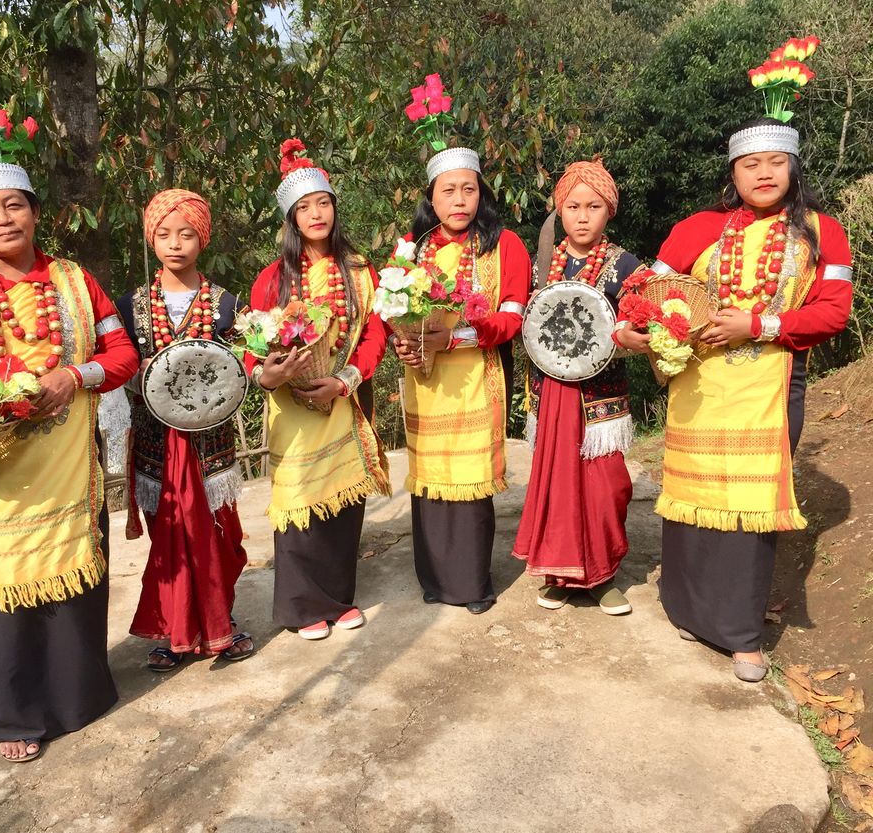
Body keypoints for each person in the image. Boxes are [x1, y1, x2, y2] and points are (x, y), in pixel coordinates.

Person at [0, 99, 137, 760]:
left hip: (70, 466)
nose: (3, 219)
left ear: (37, 212)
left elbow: (121, 355)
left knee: (76, 579)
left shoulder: (74, 279)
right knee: (8, 595)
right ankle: (15, 716)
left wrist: (75, 376)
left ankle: (79, 696)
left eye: (14, 205)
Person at [652, 115, 852, 681]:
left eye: (775, 161)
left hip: (770, 383)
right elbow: (652, 296)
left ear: (794, 165)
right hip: (698, 386)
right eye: (749, 164)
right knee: (692, 501)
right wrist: (644, 329)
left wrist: (758, 325)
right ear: (732, 173)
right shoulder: (697, 228)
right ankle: (688, 608)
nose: (764, 173)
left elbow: (834, 310)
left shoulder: (820, 231)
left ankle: (741, 634)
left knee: (751, 509)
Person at [244, 139, 390, 640]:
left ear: (334, 206)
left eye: (323, 203)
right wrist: (274, 375)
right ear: (291, 219)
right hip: (292, 412)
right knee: (300, 503)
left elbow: (374, 334)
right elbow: (252, 349)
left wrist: (346, 380)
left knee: (344, 503)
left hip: (342, 400)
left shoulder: (359, 270)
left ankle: (338, 598)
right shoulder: (272, 278)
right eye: (304, 208)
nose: (316, 214)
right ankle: (304, 606)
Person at [392, 144, 531, 615]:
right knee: (431, 479)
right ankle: (433, 578)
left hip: (477, 374)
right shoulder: (413, 250)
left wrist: (458, 338)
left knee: (470, 481)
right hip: (425, 381)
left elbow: (513, 316)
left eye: (467, 189)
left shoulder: (503, 244)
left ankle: (473, 582)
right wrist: (405, 341)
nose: (458, 200)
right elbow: (391, 310)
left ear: (480, 194)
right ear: (430, 198)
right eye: (447, 191)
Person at [117, 189, 251, 671]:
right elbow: (116, 362)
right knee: (169, 535)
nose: (176, 244)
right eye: (165, 234)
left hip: (210, 443)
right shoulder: (130, 305)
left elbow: (245, 362)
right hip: (156, 442)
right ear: (151, 238)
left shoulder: (226, 305)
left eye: (187, 234)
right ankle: (175, 632)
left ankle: (221, 622)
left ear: (203, 240)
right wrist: (143, 370)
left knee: (219, 533)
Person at [512, 158, 651, 615]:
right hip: (552, 393)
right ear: (560, 211)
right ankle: (559, 573)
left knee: (605, 484)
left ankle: (602, 575)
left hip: (600, 398)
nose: (583, 215)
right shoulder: (541, 265)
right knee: (555, 481)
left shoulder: (626, 265)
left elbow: (646, 319)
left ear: (609, 210)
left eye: (594, 206)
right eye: (573, 206)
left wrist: (632, 338)